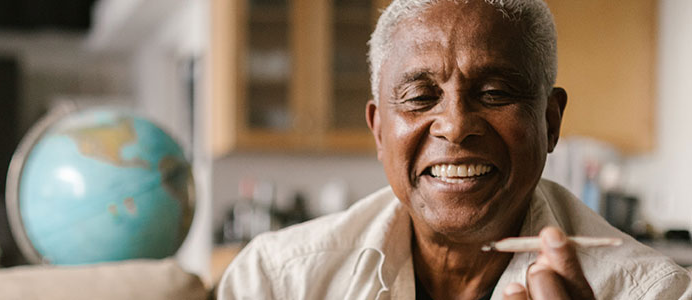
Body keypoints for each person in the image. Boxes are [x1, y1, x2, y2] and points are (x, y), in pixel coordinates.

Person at [218, 0, 692, 299]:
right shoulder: (276, 281)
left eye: (494, 93)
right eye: (420, 97)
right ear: (379, 130)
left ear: (550, 122)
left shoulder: (652, 292)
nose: (456, 125)